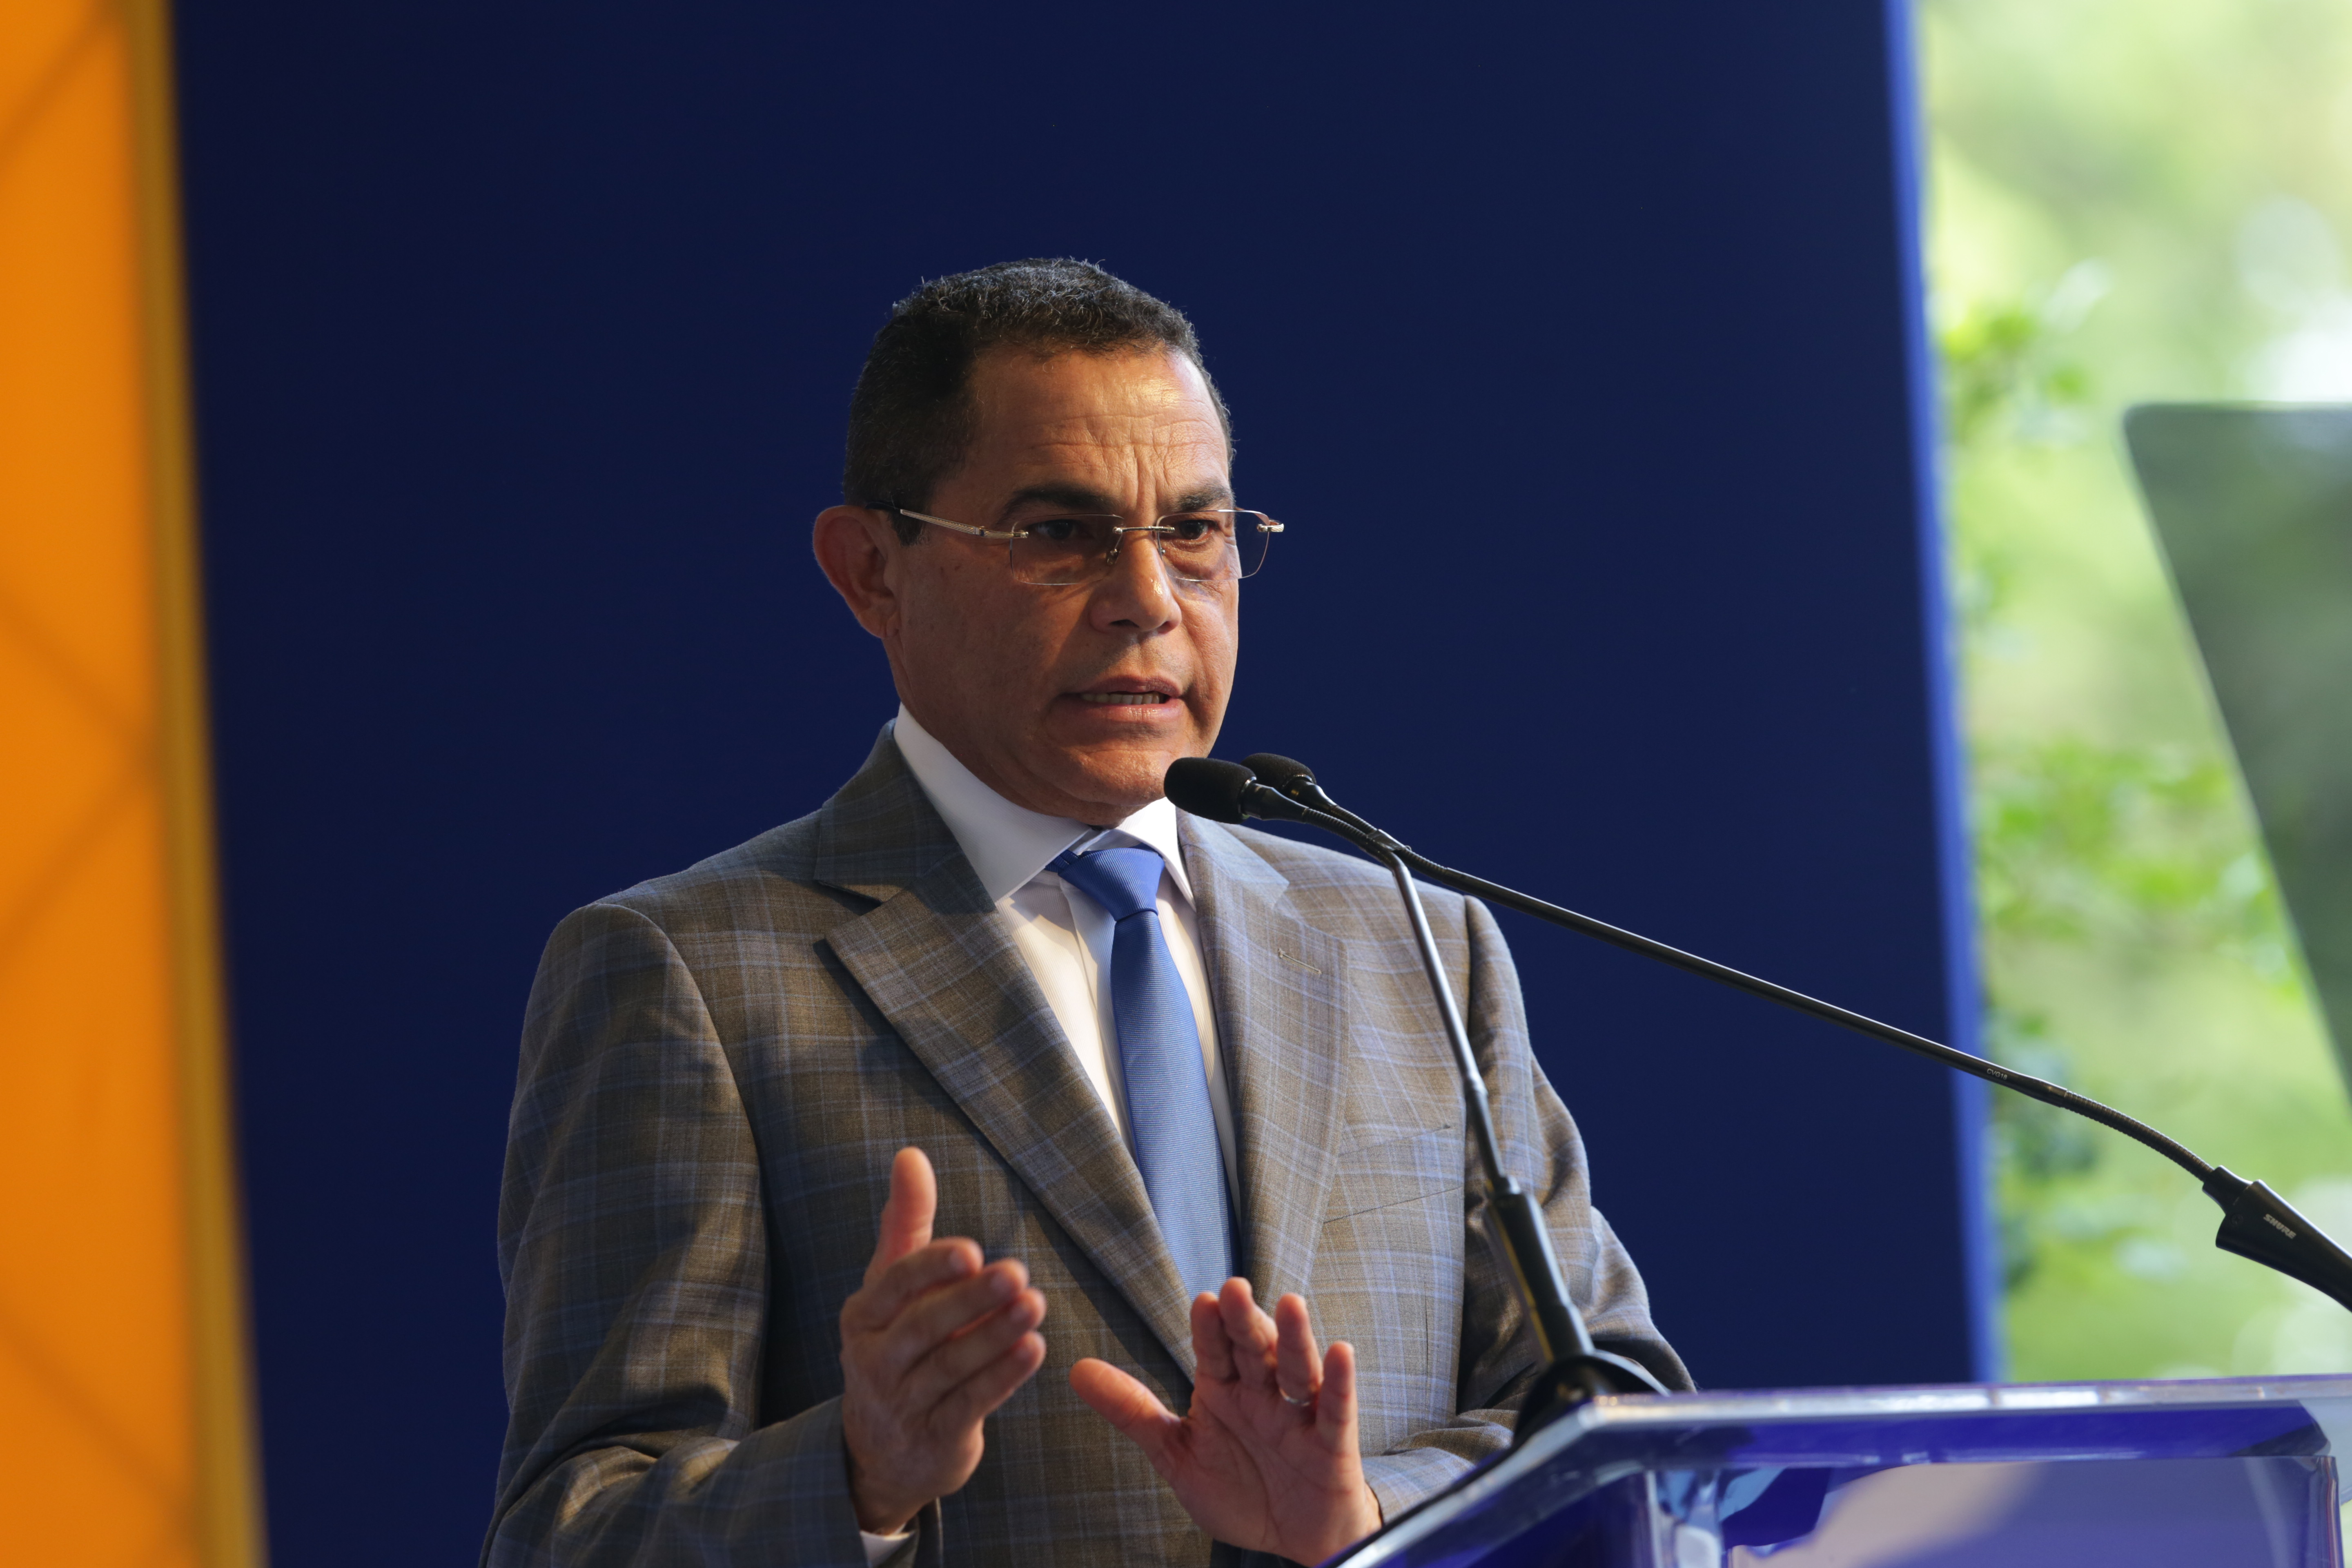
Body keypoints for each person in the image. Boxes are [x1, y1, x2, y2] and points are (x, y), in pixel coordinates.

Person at [484, 258, 1687, 1568]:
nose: (1149, 599)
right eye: (1060, 533)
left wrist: (1371, 1512)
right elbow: (573, 1530)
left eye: (1196, 531)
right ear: (871, 571)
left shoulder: (1411, 943)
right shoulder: (693, 974)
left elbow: (1609, 1409)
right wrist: (856, 1478)